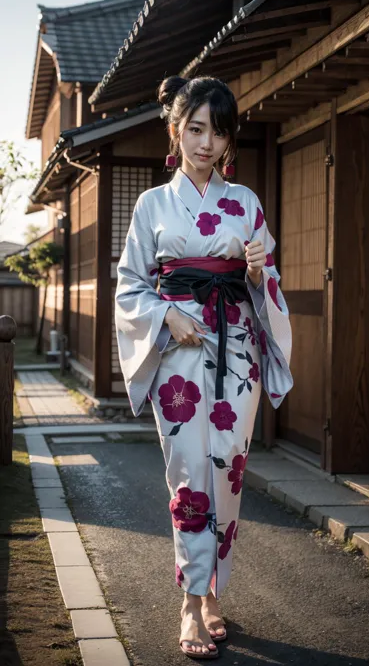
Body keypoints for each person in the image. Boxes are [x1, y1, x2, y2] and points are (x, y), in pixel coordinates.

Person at [115, 75, 293, 659]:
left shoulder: (244, 203)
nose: (206, 142)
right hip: (177, 356)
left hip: (234, 351)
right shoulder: (152, 205)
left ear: (228, 140)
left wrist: (258, 269)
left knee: (229, 470)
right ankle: (191, 600)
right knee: (190, 472)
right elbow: (130, 286)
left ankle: (215, 588)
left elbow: (266, 285)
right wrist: (168, 317)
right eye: (195, 129)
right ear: (177, 130)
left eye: (218, 131)